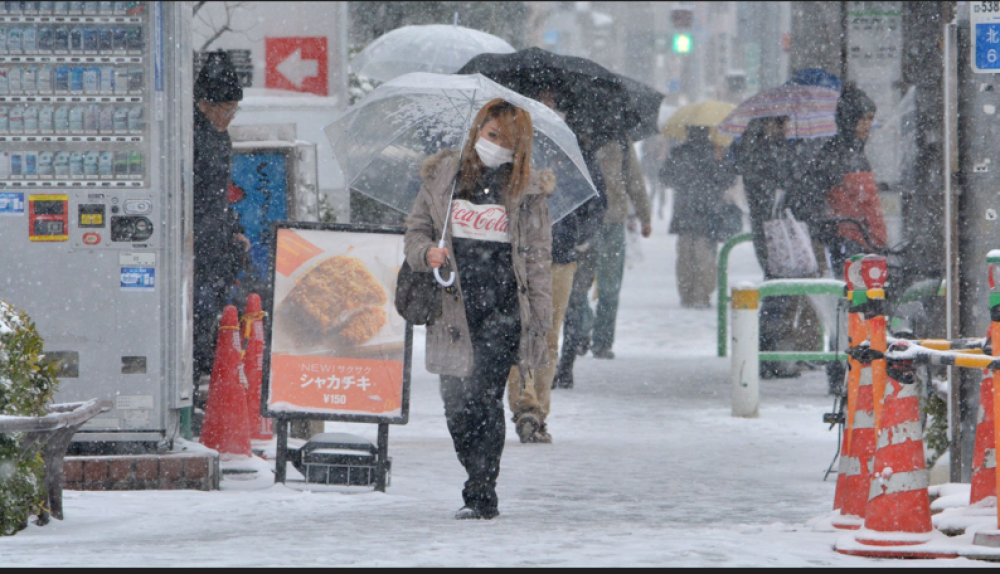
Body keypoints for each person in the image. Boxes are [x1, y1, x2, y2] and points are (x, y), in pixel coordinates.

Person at [404, 98, 554, 520]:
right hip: (453, 308)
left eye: (506, 141)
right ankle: (475, 470)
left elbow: (538, 259)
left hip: (503, 310)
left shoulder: (527, 191)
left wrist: (540, 321)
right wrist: (426, 253)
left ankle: (481, 490)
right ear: (476, 131)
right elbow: (416, 228)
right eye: (491, 135)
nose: (495, 146)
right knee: (455, 404)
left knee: (483, 398)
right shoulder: (444, 177)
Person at [504, 92, 606, 442]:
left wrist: (579, 236)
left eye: (553, 103)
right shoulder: (511, 150)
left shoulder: (577, 153)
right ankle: (524, 405)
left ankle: (538, 411)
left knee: (547, 334)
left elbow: (596, 200)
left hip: (560, 256)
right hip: (516, 256)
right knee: (520, 332)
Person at [192, 51, 250, 410]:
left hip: (212, 244)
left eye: (234, 109)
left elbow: (219, 198)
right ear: (204, 103)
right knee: (198, 316)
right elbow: (198, 199)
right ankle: (191, 392)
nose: (230, 116)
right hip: (196, 247)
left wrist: (232, 229)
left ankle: (197, 388)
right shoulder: (191, 138)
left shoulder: (218, 136)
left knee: (207, 315)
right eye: (226, 108)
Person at [573, 136, 652, 358]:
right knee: (584, 285)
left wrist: (645, 216)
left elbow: (634, 180)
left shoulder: (619, 140)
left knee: (599, 286)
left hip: (603, 220)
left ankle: (595, 337)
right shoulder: (581, 134)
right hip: (588, 220)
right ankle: (589, 334)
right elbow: (634, 181)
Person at [661, 126, 737, 308]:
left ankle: (687, 294)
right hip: (709, 212)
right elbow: (727, 179)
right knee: (705, 256)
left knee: (685, 256)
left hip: (684, 212)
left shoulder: (679, 153)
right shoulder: (716, 151)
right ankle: (701, 294)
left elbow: (665, 178)